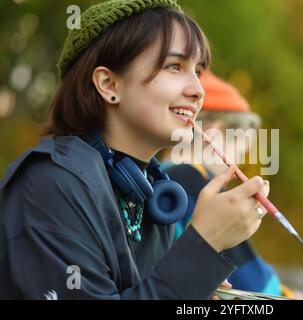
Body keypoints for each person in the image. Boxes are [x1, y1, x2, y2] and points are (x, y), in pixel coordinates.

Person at [0, 0, 269, 299]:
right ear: (109, 84)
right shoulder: (51, 184)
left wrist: (194, 288)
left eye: (198, 70)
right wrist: (203, 246)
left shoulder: (153, 195)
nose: (198, 90)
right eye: (174, 66)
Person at [161, 70, 299, 298]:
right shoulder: (193, 179)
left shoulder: (156, 176)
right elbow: (254, 284)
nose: (240, 160)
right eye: (242, 147)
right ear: (214, 134)